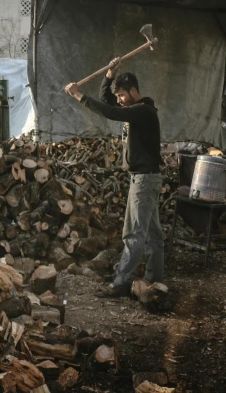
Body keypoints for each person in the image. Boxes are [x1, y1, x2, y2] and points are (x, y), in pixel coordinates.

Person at [64, 57, 163, 297]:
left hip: (144, 179)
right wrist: (109, 75)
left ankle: (121, 282)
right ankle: (155, 279)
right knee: (152, 234)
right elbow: (108, 101)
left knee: (134, 233)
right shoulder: (135, 110)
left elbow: (108, 110)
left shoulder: (143, 112)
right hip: (144, 178)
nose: (118, 100)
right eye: (118, 96)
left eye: (121, 95)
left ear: (133, 91)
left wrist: (79, 96)